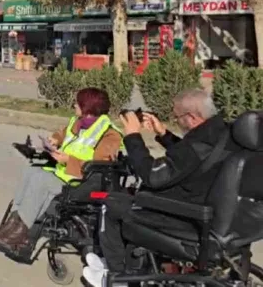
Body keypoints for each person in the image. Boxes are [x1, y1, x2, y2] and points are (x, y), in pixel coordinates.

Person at [82, 89, 237, 287]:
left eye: (177, 117)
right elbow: (192, 160)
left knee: (112, 204)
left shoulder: (198, 143)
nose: (177, 120)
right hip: (215, 213)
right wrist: (163, 134)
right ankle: (118, 262)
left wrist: (132, 136)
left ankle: (117, 274)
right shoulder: (220, 133)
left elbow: (152, 175)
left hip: (188, 216)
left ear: (191, 117)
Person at [0, 88, 123, 255]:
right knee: (32, 170)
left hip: (84, 182)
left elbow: (100, 165)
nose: (74, 105)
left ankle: (22, 234)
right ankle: (9, 227)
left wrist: (68, 160)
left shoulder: (110, 135)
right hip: (65, 173)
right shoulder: (78, 122)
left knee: (41, 180)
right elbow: (62, 133)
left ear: (89, 108)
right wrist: (54, 140)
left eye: (78, 103)